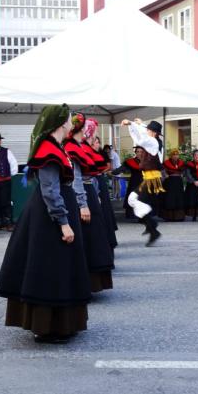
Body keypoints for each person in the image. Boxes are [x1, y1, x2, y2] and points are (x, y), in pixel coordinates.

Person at [0, 104, 91, 344]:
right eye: (69, 119)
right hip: (49, 218)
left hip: (53, 213)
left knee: (58, 269)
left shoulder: (56, 147)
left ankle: (60, 323)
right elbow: (49, 190)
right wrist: (63, 223)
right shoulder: (48, 150)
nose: (72, 123)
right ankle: (48, 327)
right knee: (50, 270)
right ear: (61, 124)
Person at [64, 113, 114, 292]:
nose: (91, 135)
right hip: (82, 195)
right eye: (89, 130)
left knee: (92, 240)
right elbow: (76, 178)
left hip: (88, 192)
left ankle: (90, 283)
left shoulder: (79, 146)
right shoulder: (73, 147)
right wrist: (82, 203)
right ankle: (84, 283)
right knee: (88, 239)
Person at [121, 118, 164, 246]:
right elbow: (142, 134)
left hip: (151, 179)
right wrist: (138, 124)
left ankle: (152, 227)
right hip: (149, 178)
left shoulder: (152, 142)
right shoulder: (153, 141)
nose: (146, 131)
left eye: (149, 130)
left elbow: (140, 139)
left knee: (134, 199)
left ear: (154, 133)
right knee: (132, 199)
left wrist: (131, 124)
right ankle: (150, 224)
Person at [82, 120, 118, 249]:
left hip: (98, 180)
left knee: (105, 208)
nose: (96, 144)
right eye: (95, 141)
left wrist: (100, 172)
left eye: (98, 142)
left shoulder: (100, 153)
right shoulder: (83, 150)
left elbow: (108, 165)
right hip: (91, 181)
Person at [111, 147, 144, 219]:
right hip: (134, 182)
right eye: (138, 151)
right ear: (135, 153)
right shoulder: (131, 161)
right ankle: (133, 214)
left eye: (141, 152)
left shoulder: (147, 161)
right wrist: (113, 172)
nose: (139, 153)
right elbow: (122, 168)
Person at [161, 149, 186, 221]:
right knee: (170, 198)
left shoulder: (181, 163)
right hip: (169, 182)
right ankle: (169, 217)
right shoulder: (166, 163)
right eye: (174, 155)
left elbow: (184, 171)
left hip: (178, 182)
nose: (175, 156)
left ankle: (179, 217)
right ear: (171, 156)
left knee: (179, 198)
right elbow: (162, 170)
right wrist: (165, 175)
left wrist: (182, 175)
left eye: (177, 155)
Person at [184, 149, 198, 221]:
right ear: (193, 156)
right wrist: (194, 181)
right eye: (196, 155)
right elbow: (188, 174)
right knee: (193, 200)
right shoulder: (189, 164)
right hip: (192, 185)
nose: (197, 156)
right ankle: (193, 216)